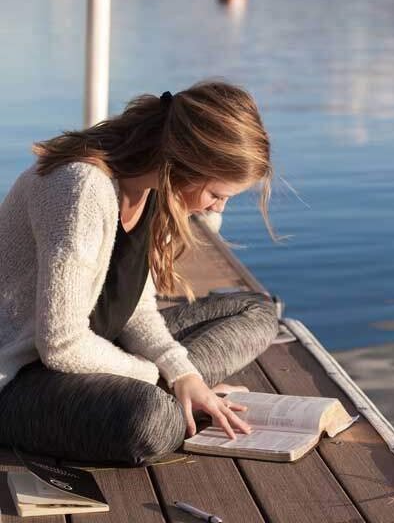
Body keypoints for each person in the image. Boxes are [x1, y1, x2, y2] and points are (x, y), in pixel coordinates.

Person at [0, 79, 280, 465]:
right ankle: (172, 400)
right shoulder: (80, 189)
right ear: (184, 162)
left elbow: (136, 308)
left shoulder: (149, 190)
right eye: (216, 194)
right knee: (152, 421)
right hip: (19, 378)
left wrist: (184, 374)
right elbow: (61, 344)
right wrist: (156, 376)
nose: (218, 210)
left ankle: (185, 393)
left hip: (97, 351)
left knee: (257, 311)